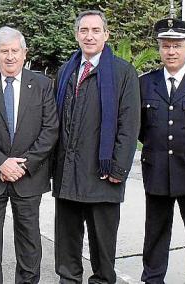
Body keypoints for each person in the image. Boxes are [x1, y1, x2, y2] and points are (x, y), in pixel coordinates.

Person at [52, 10, 140, 283]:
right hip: (67, 173)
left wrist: (119, 168)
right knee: (66, 247)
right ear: (77, 34)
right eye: (83, 30)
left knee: (102, 251)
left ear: (106, 34)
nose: (89, 36)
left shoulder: (123, 72)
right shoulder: (66, 70)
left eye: (95, 30)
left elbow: (129, 124)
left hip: (103, 175)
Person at [0, 26, 59, 283]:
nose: (10, 57)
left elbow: (50, 129)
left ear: (24, 53)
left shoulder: (42, 84)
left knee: (29, 242)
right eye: (4, 51)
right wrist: (0, 163)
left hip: (29, 177)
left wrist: (24, 165)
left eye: (15, 51)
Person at [139, 18, 185, 284]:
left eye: (177, 46)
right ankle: (153, 280)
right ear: (159, 48)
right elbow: (139, 129)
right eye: (166, 46)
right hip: (156, 171)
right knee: (155, 233)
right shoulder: (145, 83)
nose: (171, 51)